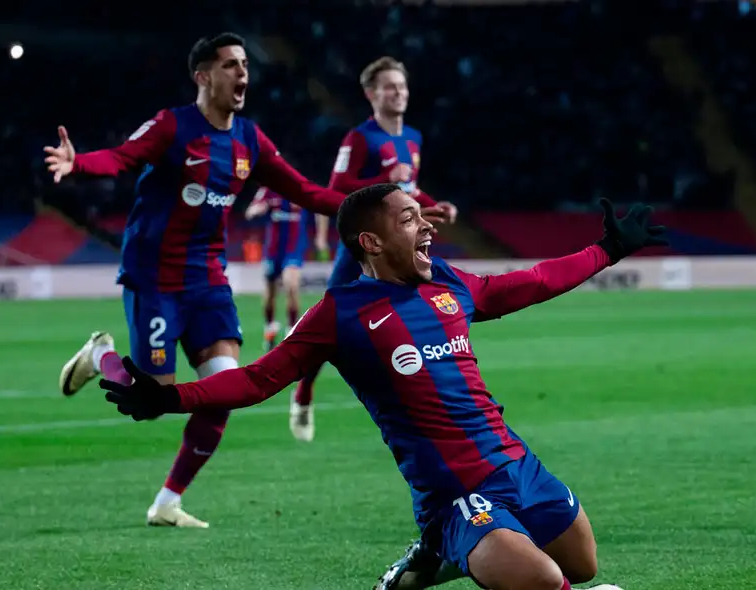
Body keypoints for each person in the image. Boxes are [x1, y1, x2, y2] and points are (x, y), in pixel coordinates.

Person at [98, 183, 667, 589]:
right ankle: (447, 538)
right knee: (543, 580)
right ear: (371, 242)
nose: (428, 227)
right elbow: (256, 379)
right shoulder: (338, 314)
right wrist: (169, 396)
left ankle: (437, 560)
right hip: (453, 493)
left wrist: (607, 251)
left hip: (517, 464)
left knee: (583, 566)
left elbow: (532, 281)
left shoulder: (447, 282)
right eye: (410, 220)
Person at [43, 32, 353, 529]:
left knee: (224, 391)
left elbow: (306, 191)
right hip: (154, 278)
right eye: (231, 65)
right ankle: (101, 356)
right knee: (151, 402)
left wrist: (376, 205)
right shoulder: (173, 126)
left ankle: (166, 503)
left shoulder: (250, 140)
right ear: (203, 76)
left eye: (245, 64)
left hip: (207, 279)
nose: (243, 73)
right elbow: (122, 157)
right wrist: (77, 162)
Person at [293, 56, 458, 438]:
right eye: (389, 86)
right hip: (364, 248)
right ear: (371, 94)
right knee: (328, 322)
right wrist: (385, 178)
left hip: (402, 248)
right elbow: (337, 188)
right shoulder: (360, 138)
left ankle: (427, 400)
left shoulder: (412, 137)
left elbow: (408, 189)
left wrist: (434, 203)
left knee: (423, 314)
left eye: (402, 85)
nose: (398, 92)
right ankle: (303, 391)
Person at [243, 186, 311, 354]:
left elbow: (319, 208)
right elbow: (250, 211)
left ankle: (291, 330)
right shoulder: (268, 190)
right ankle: (270, 327)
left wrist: (321, 237)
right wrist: (257, 209)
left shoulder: (300, 188)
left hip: (294, 248)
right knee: (270, 293)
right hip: (273, 250)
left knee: (291, 285)